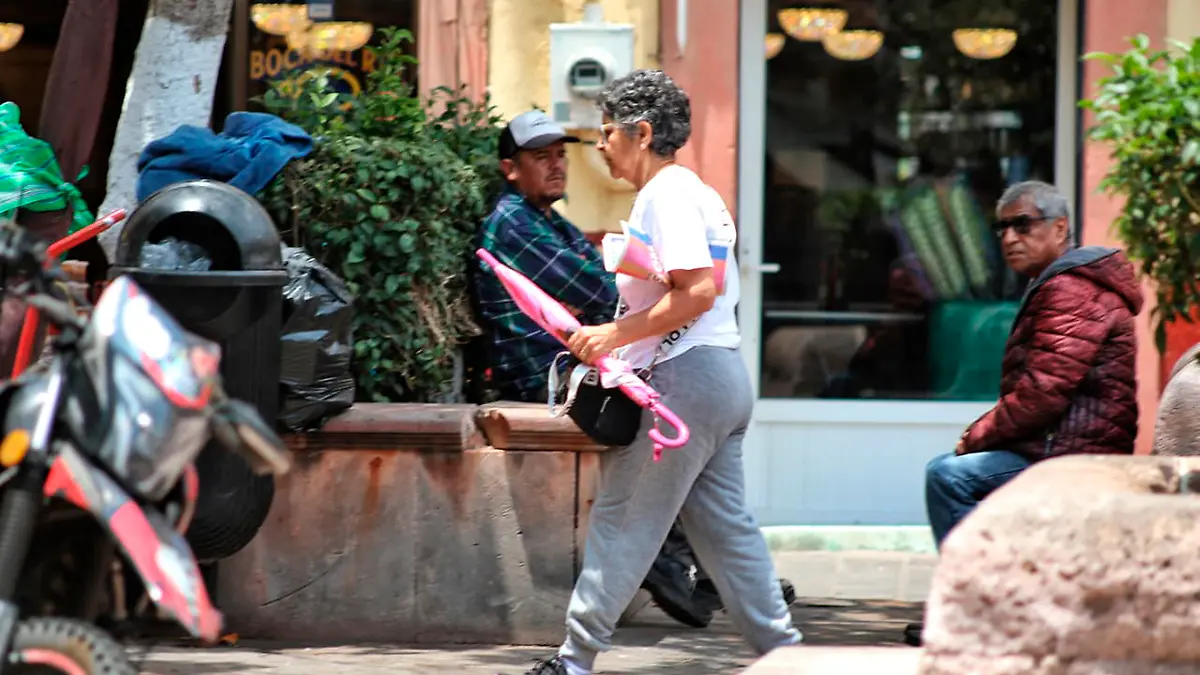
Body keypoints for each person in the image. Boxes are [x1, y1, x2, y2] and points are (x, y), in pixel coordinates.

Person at [504, 70, 802, 675]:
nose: (600, 145)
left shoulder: (664, 196)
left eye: (608, 132)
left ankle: (574, 660)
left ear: (641, 133)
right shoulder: (697, 193)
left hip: (681, 380)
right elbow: (699, 289)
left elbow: (693, 292)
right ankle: (788, 656)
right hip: (719, 379)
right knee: (726, 535)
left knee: (623, 520)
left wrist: (613, 336)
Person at [905, 180, 1143, 647]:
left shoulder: (1071, 289)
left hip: (1073, 455)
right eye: (1002, 227)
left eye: (1022, 224)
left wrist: (976, 435)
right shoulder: (1063, 283)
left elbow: (1044, 393)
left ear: (1060, 228)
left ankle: (979, 616)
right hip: (1063, 445)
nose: (1009, 237)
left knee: (949, 476)